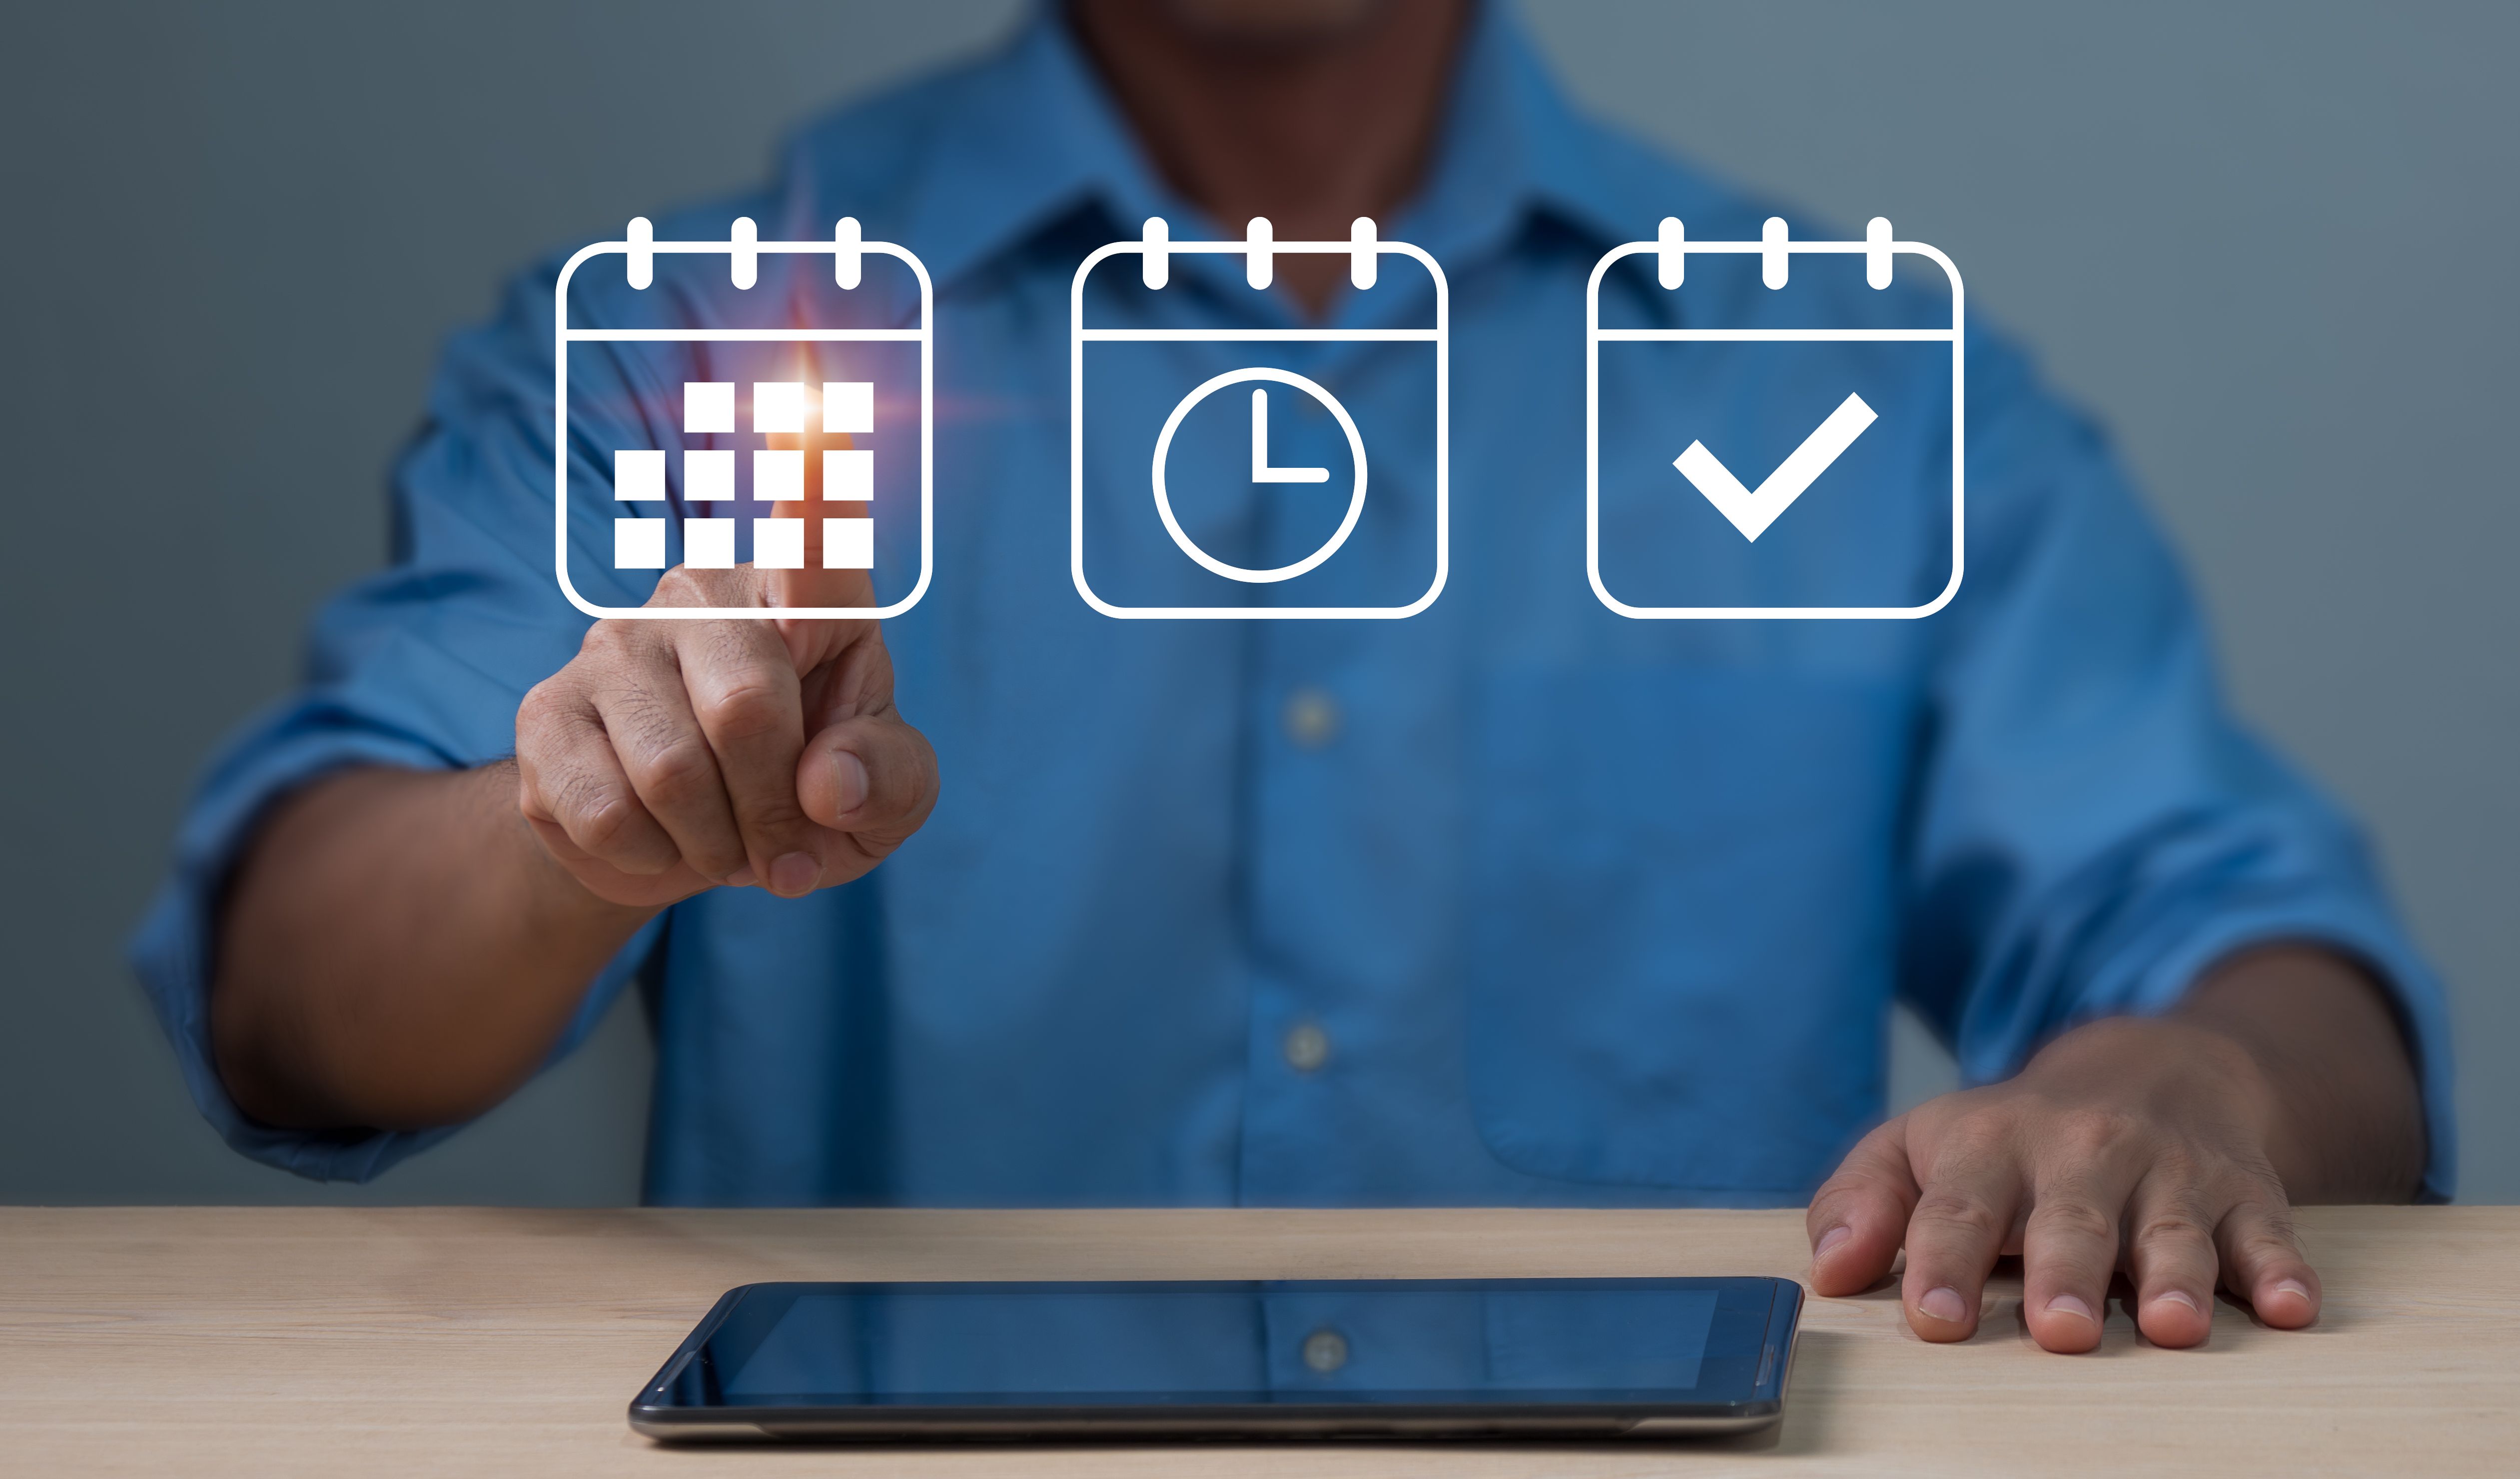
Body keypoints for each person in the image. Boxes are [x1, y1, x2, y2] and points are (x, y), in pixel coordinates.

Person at [135, 0, 2449, 1359]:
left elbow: (2272, 962)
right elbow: (293, 993)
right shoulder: (698, 323)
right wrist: (570, 816)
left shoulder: (1851, 380)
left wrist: (2186, 1075)